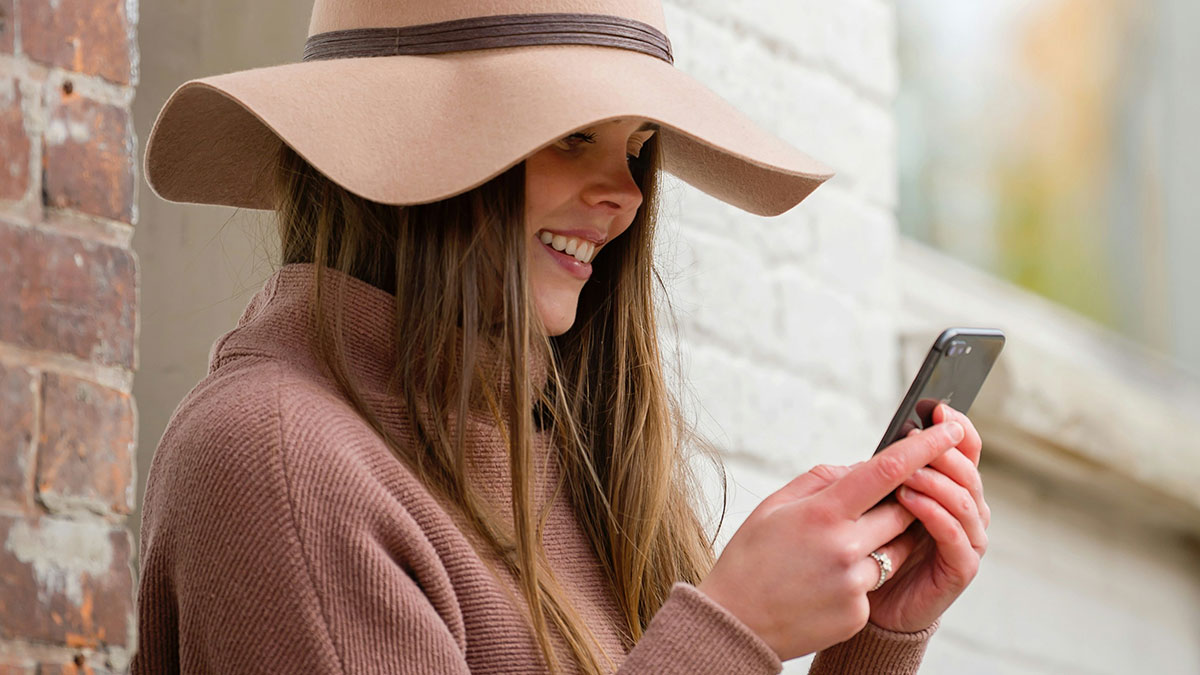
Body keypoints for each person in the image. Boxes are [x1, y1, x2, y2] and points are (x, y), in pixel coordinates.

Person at [134, 1, 990, 673]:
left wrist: (872, 642)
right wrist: (735, 629)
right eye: (573, 135)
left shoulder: (570, 452)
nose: (627, 193)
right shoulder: (278, 459)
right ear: (412, 143)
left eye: (638, 147)